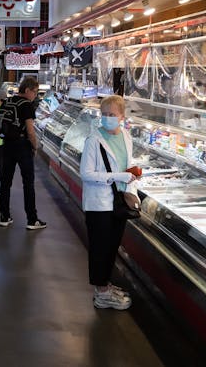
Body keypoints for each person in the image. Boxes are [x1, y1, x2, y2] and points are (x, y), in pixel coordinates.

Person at [80, 95, 141, 310]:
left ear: (122, 116)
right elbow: (86, 174)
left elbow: (129, 162)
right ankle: (101, 293)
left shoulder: (125, 136)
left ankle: (105, 285)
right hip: (99, 204)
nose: (107, 118)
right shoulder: (93, 140)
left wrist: (131, 180)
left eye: (112, 114)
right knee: (100, 248)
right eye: (104, 114)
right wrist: (117, 176)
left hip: (118, 202)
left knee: (111, 247)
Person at [0, 76, 46, 230]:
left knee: (5, 182)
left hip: (6, 145)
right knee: (28, 183)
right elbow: (30, 131)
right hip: (22, 146)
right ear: (27, 90)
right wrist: (35, 146)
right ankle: (32, 219)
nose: (35, 95)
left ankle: (4, 216)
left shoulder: (8, 101)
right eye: (35, 92)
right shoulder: (27, 105)